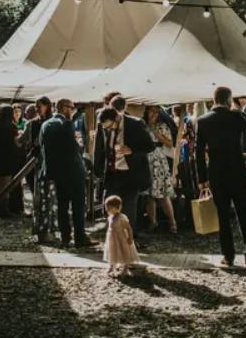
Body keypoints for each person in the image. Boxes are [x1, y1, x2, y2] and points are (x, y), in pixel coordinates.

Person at [195, 86, 246, 267]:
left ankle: (228, 255)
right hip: (236, 170)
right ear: (229, 100)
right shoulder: (235, 116)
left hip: (216, 171)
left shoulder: (203, 120)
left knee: (223, 215)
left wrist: (202, 178)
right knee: (244, 213)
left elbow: (198, 152)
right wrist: (239, 111)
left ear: (214, 99)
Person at [96, 100, 154, 249]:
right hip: (113, 173)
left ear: (117, 118)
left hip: (131, 174)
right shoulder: (104, 126)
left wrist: (132, 151)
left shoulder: (136, 124)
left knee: (129, 209)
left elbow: (150, 146)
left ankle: (129, 243)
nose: (109, 129)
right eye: (106, 128)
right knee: (109, 207)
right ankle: (114, 240)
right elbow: (101, 149)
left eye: (110, 126)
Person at [41, 98, 95, 248]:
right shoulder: (65, 124)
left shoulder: (46, 124)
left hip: (56, 171)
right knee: (78, 204)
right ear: (64, 108)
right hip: (72, 169)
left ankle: (65, 236)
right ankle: (80, 237)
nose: (72, 110)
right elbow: (73, 147)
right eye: (71, 107)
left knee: (62, 205)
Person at [28, 96, 58, 242]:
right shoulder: (34, 123)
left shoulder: (55, 122)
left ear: (47, 106)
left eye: (39, 106)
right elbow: (34, 144)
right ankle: (41, 229)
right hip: (40, 163)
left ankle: (51, 228)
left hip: (52, 162)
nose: (37, 108)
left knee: (51, 196)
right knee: (40, 196)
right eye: (36, 106)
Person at [143, 105, 177, 233]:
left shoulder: (162, 126)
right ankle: (153, 222)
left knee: (162, 193)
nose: (154, 115)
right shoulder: (142, 126)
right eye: (152, 112)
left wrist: (159, 136)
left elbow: (170, 143)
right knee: (149, 195)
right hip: (145, 159)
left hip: (158, 159)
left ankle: (172, 222)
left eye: (156, 113)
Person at [0, 104, 22, 217]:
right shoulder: (12, 127)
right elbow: (17, 143)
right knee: (5, 185)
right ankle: (3, 210)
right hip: (7, 158)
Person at [102, 194, 139, 277]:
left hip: (121, 238)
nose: (108, 210)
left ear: (117, 207)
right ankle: (112, 266)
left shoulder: (122, 217)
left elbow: (129, 228)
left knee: (124, 252)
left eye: (110, 208)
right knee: (112, 252)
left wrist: (130, 237)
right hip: (112, 238)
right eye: (107, 208)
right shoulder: (110, 217)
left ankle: (125, 268)